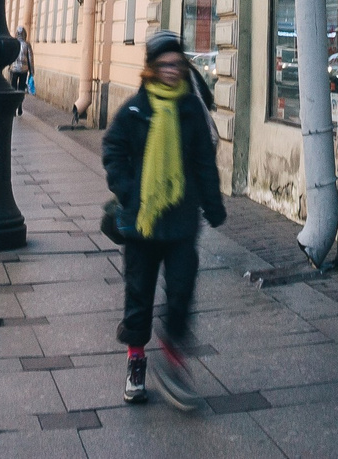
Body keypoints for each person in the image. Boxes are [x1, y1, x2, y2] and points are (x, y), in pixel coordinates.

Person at [102, 29, 227, 408]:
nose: (172, 70)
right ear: (152, 69)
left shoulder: (191, 110)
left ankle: (173, 355)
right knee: (138, 295)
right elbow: (112, 149)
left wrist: (213, 205)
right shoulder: (136, 110)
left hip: (182, 221)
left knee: (182, 293)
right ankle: (136, 364)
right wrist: (129, 190)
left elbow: (205, 163)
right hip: (142, 223)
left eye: (177, 64)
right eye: (165, 64)